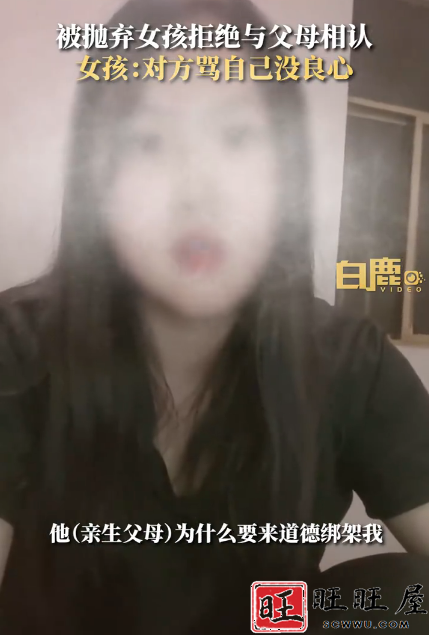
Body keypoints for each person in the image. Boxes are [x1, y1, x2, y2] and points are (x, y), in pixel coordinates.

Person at [0, 0, 428, 633]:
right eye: (148, 142)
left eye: (237, 138)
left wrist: (330, 616)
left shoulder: (349, 363)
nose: (198, 189)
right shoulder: (16, 344)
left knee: (405, 592)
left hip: (270, 623)